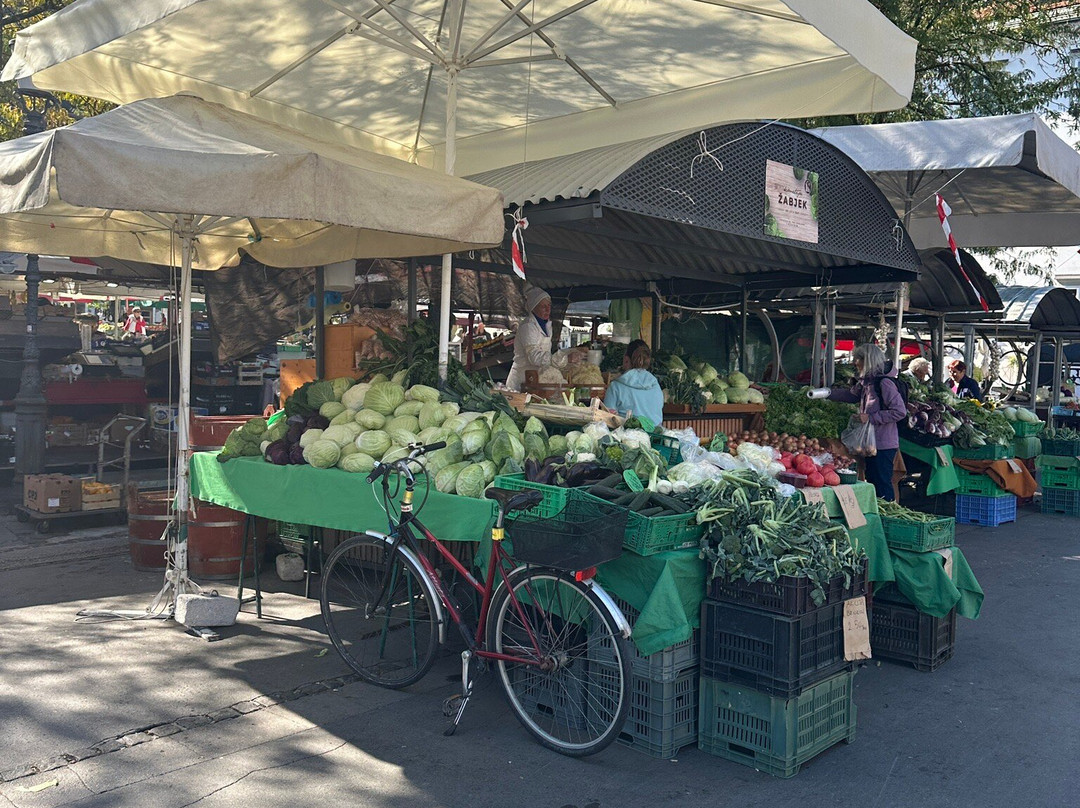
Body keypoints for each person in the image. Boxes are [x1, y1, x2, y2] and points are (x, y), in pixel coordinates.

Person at [829, 343, 907, 501]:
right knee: (873, 480)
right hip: (870, 443)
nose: (854, 362)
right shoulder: (867, 382)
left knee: (882, 483)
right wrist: (827, 393)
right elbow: (851, 395)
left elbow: (900, 412)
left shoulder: (884, 383)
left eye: (857, 359)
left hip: (883, 443)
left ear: (867, 360)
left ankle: (887, 517)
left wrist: (871, 417)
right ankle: (879, 514)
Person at [506, 287, 582, 391]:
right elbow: (534, 357)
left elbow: (547, 353)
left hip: (537, 380)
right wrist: (563, 359)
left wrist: (569, 352)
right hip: (521, 381)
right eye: (543, 306)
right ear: (533, 307)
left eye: (549, 305)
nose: (548, 309)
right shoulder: (528, 327)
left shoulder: (547, 326)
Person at [604, 339, 664, 427]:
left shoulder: (615, 387)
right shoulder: (656, 386)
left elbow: (607, 418)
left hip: (626, 439)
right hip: (656, 438)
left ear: (626, 360)